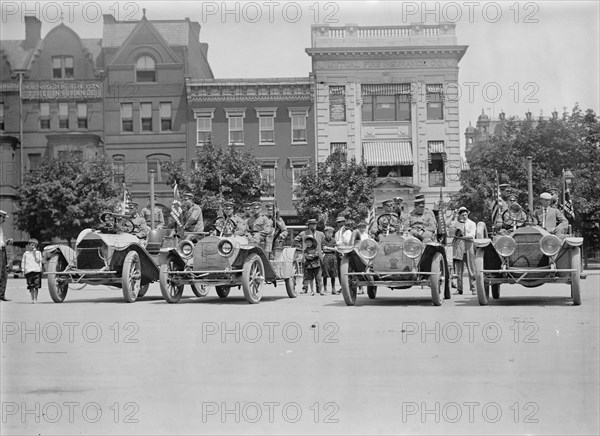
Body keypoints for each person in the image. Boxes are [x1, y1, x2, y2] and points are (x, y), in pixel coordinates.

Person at [448, 207, 476, 295]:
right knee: (459, 270)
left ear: (467, 214)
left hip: (468, 246)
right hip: (459, 247)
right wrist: (452, 215)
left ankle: (473, 288)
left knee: (471, 268)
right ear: (459, 215)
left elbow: (471, 236)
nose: (464, 216)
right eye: (462, 214)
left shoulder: (472, 223)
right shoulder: (457, 223)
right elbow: (447, 225)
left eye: (465, 214)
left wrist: (460, 236)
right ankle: (459, 289)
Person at [294, 219, 325, 294]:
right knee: (307, 274)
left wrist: (322, 251)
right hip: (307, 256)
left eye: (315, 224)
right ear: (308, 225)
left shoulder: (321, 234)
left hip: (318, 256)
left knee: (318, 274)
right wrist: (302, 247)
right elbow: (296, 240)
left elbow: (323, 244)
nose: (313, 225)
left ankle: (319, 289)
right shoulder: (303, 233)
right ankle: (305, 288)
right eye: (311, 224)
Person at [21, 238, 43, 303]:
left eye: (34, 245)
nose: (33, 246)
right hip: (29, 271)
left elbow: (38, 260)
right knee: (31, 286)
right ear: (29, 245)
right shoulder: (26, 253)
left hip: (36, 271)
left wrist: (35, 254)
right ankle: (32, 298)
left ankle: (35, 299)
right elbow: (23, 262)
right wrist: (23, 270)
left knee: (36, 286)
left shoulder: (38, 253)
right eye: (31, 245)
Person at [321, 226, 338, 295]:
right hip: (326, 257)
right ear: (325, 233)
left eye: (331, 233)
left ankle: (333, 289)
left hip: (333, 257)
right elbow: (324, 249)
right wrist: (332, 248)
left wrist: (328, 248)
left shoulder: (334, 240)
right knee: (325, 273)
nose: (330, 234)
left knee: (333, 273)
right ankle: (325, 289)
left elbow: (336, 249)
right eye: (328, 232)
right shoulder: (323, 240)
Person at [0, 210, 13, 301]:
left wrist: (6, 242)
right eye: (3, 217)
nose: (4, 220)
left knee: (3, 273)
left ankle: (1, 295)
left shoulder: (0, 228)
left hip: (2, 251)